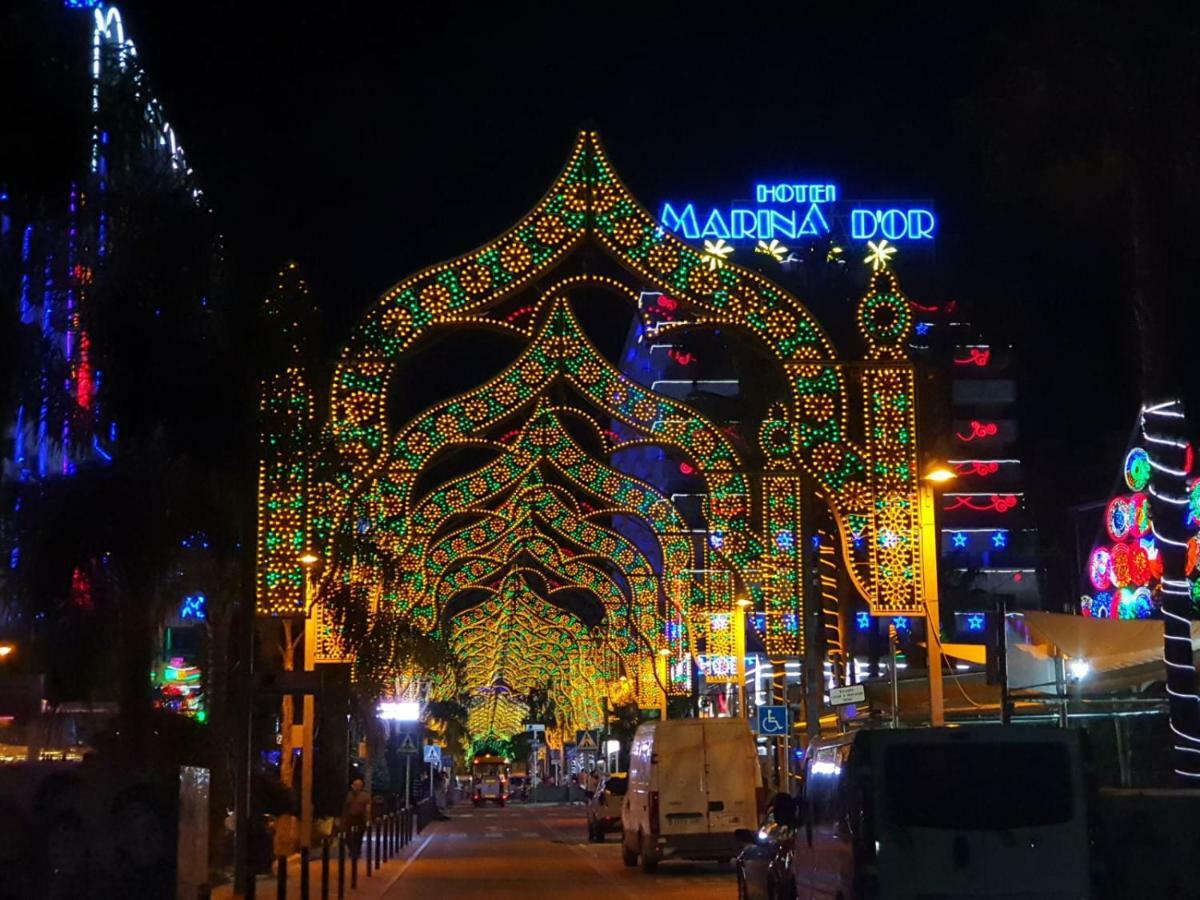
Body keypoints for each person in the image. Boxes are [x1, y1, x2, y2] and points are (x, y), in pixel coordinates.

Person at [341, 776, 370, 859]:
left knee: (359, 835)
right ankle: (352, 849)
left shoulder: (365, 795)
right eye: (355, 785)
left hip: (360, 817)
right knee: (348, 836)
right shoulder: (348, 795)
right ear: (352, 785)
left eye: (359, 785)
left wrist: (367, 819)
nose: (357, 787)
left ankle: (356, 850)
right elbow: (344, 807)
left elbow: (368, 808)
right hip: (349, 817)